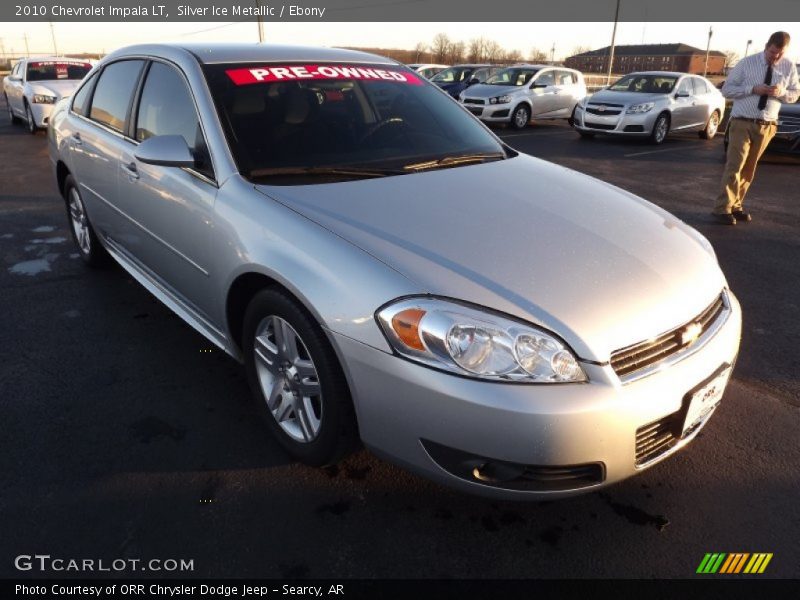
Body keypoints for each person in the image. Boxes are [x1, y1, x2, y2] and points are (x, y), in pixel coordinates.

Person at [712, 31, 799, 225]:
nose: (775, 57)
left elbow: (795, 94)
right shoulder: (746, 63)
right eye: (772, 52)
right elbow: (727, 90)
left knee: (749, 169)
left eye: (780, 54)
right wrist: (752, 89)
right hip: (742, 122)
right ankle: (722, 208)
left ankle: (736, 206)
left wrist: (781, 92)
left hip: (767, 125)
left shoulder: (789, 66)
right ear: (766, 46)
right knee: (735, 166)